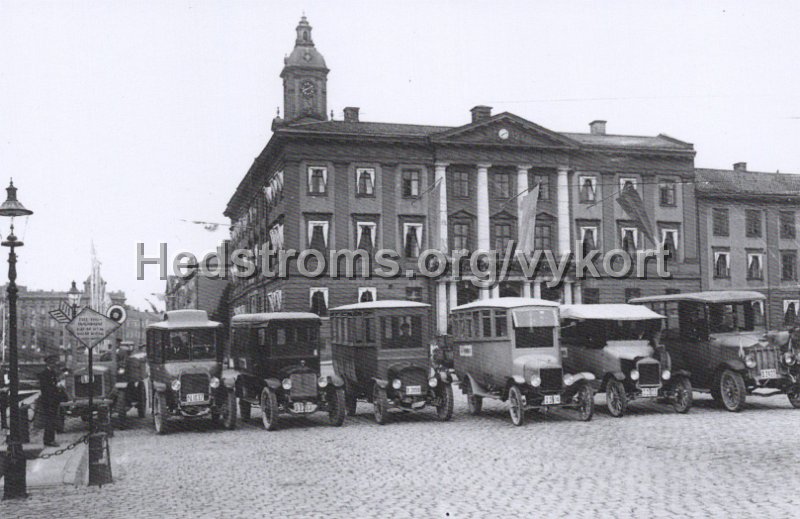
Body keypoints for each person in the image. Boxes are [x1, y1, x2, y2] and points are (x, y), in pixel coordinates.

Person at [37, 355, 62, 447]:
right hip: (48, 401)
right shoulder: (44, 374)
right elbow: (46, 389)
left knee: (52, 420)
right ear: (48, 363)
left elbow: (53, 386)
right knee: (49, 421)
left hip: (53, 400)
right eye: (52, 363)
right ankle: (48, 440)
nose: (54, 364)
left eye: (54, 362)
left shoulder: (52, 373)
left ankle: (50, 439)